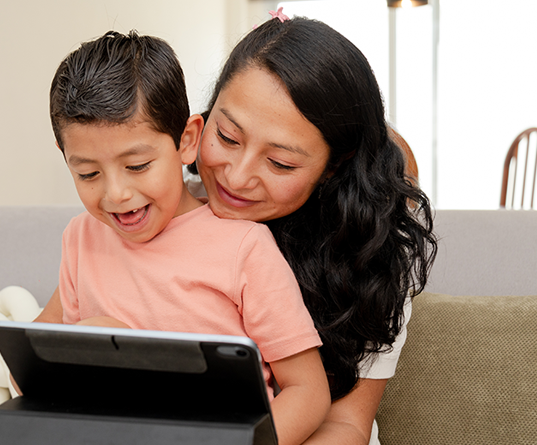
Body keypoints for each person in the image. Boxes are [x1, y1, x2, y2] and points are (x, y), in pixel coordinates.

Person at [36, 30, 331, 444]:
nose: (115, 194)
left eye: (137, 165)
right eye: (88, 173)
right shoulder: (82, 238)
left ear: (187, 141)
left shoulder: (243, 248)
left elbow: (308, 392)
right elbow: (31, 360)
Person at [181, 12, 438, 445]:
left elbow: (345, 425)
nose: (237, 177)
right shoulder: (167, 215)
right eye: (226, 136)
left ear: (334, 167)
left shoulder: (370, 252)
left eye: (280, 163)